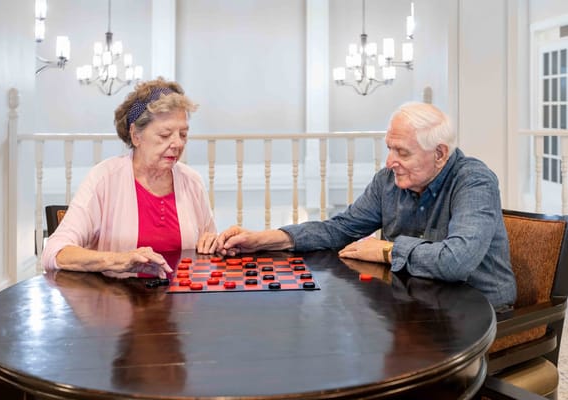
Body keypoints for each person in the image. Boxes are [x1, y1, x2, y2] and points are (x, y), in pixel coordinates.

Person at [216, 102, 516, 310]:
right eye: (389, 148)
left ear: (439, 153)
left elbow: (456, 261)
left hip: (480, 314)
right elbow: (341, 228)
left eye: (402, 152)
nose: (389, 162)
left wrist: (387, 250)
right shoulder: (388, 181)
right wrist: (267, 238)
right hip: (420, 305)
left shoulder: (475, 181)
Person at [42, 78, 217, 278]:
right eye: (165, 135)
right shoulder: (104, 179)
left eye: (183, 134)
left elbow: (208, 246)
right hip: (116, 302)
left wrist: (211, 243)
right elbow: (54, 251)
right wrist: (117, 260)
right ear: (136, 135)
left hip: (181, 304)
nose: (177, 143)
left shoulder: (192, 181)